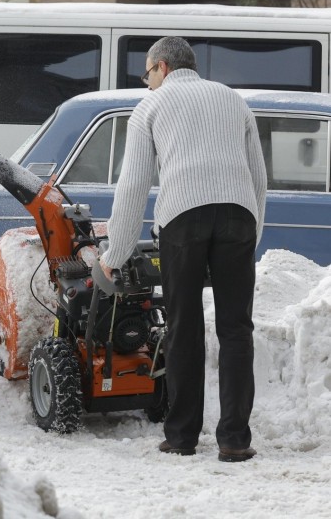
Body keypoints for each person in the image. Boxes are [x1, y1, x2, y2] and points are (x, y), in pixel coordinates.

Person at [98, 36, 267, 463]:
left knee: (184, 327)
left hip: (183, 218)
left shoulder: (151, 107)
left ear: (162, 68)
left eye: (147, 75)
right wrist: (251, 235)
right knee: (235, 330)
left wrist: (113, 255)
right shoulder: (232, 99)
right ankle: (234, 439)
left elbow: (133, 185)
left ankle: (182, 436)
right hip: (238, 215)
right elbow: (258, 175)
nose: (146, 83)